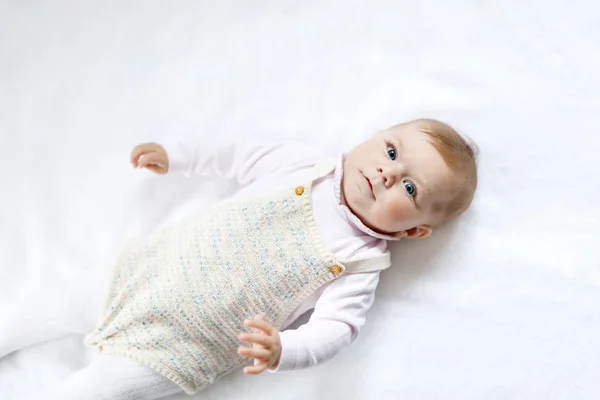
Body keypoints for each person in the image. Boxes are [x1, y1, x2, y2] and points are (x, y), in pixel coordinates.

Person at [2, 118, 478, 399]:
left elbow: (338, 330)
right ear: (372, 137)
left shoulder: (359, 263)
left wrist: (283, 350)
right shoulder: (304, 165)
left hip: (183, 346)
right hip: (144, 273)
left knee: (97, 390)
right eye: (391, 151)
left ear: (414, 231)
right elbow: (238, 156)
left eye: (411, 187)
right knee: (54, 304)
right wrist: (178, 156)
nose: (387, 173)